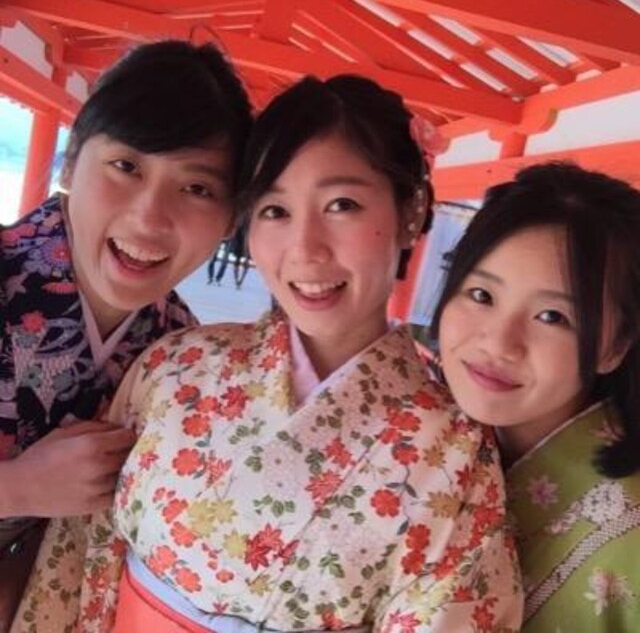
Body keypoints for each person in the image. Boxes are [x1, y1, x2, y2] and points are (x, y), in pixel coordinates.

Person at [16, 74, 523, 633]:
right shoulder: (176, 365)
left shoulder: (453, 450)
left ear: (411, 211)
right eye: (275, 211)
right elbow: (78, 559)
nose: (305, 249)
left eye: (342, 204)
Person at [0, 39, 252, 629]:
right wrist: (18, 488)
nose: (149, 217)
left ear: (231, 218)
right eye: (126, 167)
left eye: (196, 188)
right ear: (70, 163)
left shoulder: (181, 354)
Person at [430, 162, 640, 631]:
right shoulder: (420, 433)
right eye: (482, 295)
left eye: (551, 317)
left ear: (616, 346)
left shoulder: (629, 535)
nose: (499, 343)